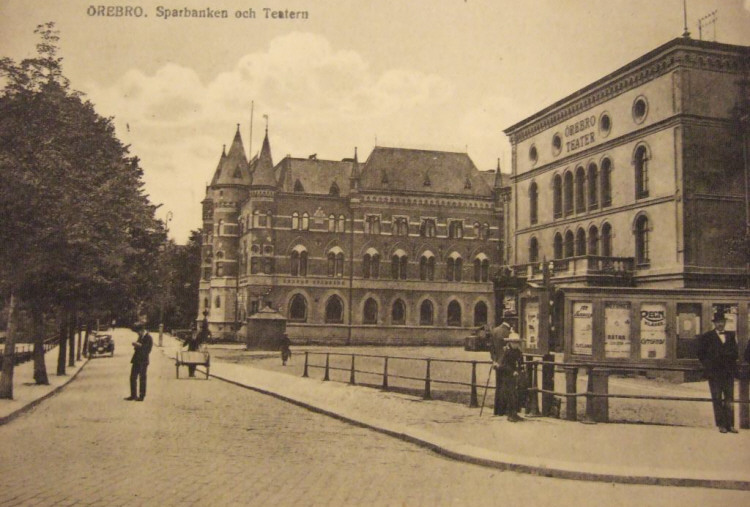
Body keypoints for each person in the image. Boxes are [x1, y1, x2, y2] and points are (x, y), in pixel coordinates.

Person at [696, 310, 738, 433]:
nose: (720, 324)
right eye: (718, 322)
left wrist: (729, 359)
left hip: (728, 373)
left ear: (725, 323)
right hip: (714, 374)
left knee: (730, 399)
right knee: (717, 398)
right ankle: (721, 425)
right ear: (714, 323)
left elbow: (735, 353)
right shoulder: (707, 337)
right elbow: (700, 354)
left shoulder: (731, 336)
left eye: (722, 322)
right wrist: (709, 365)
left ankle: (730, 424)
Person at [496, 335, 524, 422]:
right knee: (510, 395)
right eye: (514, 342)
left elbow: (520, 363)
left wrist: (520, 370)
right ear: (511, 342)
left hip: (516, 376)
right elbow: (504, 365)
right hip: (508, 376)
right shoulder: (507, 352)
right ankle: (510, 414)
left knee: (516, 395)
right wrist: (512, 371)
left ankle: (515, 413)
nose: (516, 344)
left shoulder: (518, 352)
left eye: (517, 342)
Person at [125, 325, 153, 401]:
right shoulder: (141, 337)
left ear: (142, 330)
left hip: (143, 361)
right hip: (136, 360)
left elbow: (148, 350)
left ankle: (141, 396)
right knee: (132, 377)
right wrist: (136, 345)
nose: (138, 334)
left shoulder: (148, 338)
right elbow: (137, 348)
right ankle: (133, 395)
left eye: (138, 332)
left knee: (142, 378)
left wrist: (139, 345)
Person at [489, 321, 511, 416]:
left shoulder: (494, 331)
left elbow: (491, 348)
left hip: (497, 363)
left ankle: (498, 410)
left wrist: (494, 360)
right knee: (507, 386)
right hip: (507, 363)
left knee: (499, 386)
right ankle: (505, 409)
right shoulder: (509, 333)